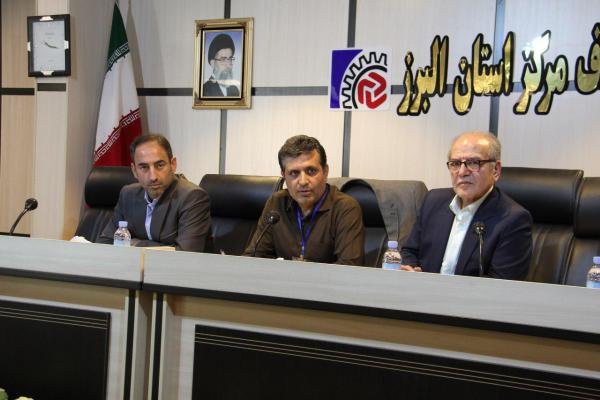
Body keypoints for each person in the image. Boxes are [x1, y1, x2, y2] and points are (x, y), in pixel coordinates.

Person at [400, 131, 532, 279]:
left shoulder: (513, 219)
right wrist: (410, 271)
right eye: (455, 164)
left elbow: (500, 285)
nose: (462, 172)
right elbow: (409, 251)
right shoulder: (433, 201)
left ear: (496, 170)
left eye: (473, 163)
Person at [243, 135, 365, 265]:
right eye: (294, 173)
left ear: (325, 172)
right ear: (284, 175)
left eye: (311, 171)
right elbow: (253, 257)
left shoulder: (345, 208)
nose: (303, 181)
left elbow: (349, 267)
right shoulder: (276, 203)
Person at [98, 134, 211, 252]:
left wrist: (135, 243)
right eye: (144, 167)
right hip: (134, 264)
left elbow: (185, 254)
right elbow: (105, 242)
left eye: (160, 165)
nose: (153, 177)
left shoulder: (192, 197)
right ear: (134, 170)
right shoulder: (128, 194)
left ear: (173, 164)